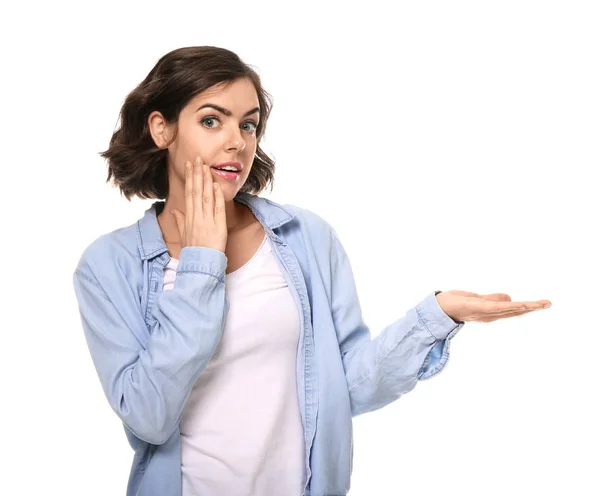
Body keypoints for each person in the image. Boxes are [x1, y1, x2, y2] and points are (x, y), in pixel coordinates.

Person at [72, 46, 552, 496]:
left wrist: (436, 316)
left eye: (249, 124)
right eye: (211, 120)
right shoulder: (109, 266)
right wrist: (201, 264)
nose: (236, 142)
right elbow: (148, 417)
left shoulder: (305, 238)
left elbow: (347, 388)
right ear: (162, 129)